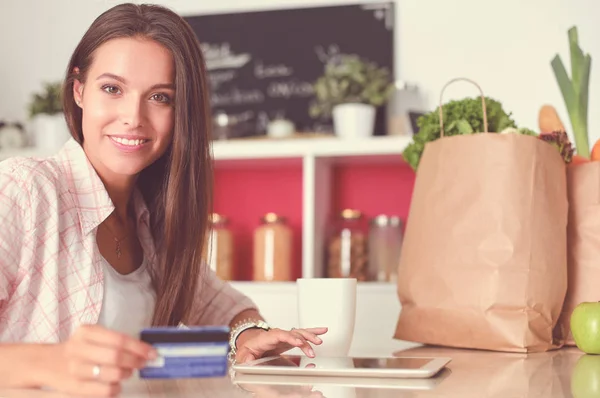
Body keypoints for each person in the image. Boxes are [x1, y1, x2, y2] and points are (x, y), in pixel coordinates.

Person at [0, 3, 326, 397]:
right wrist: (52, 362)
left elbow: (225, 313)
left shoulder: (153, 222)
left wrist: (245, 338)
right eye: (112, 89)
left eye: (160, 97)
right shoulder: (23, 190)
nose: (133, 116)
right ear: (79, 90)